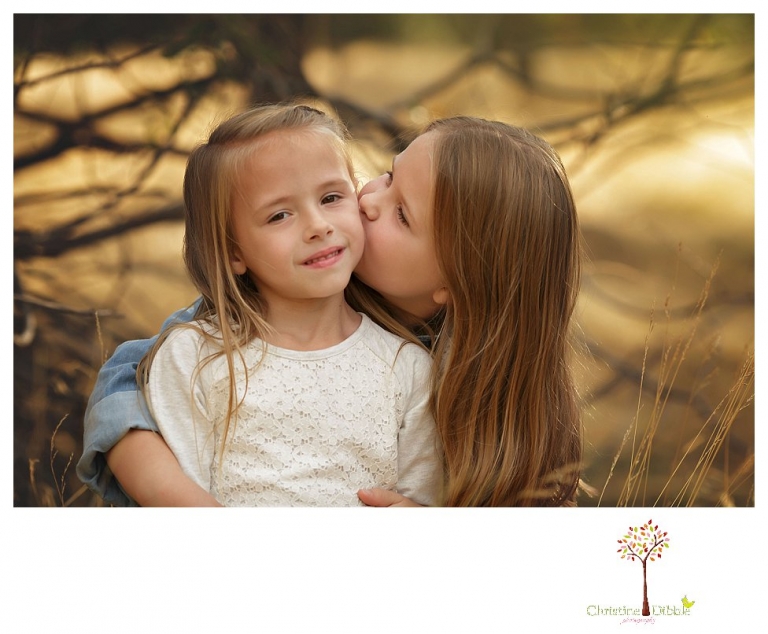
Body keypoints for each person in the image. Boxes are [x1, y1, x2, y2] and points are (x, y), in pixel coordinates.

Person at [77, 111, 582, 507]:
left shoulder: (446, 382)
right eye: (386, 176)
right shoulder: (275, 299)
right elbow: (129, 380)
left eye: (401, 214)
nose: (365, 202)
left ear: (460, 280)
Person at [94, 102, 442, 507]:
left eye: (331, 197)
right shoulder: (197, 356)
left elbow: (423, 497)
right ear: (233, 252)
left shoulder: (408, 366)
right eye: (279, 215)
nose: (318, 226)